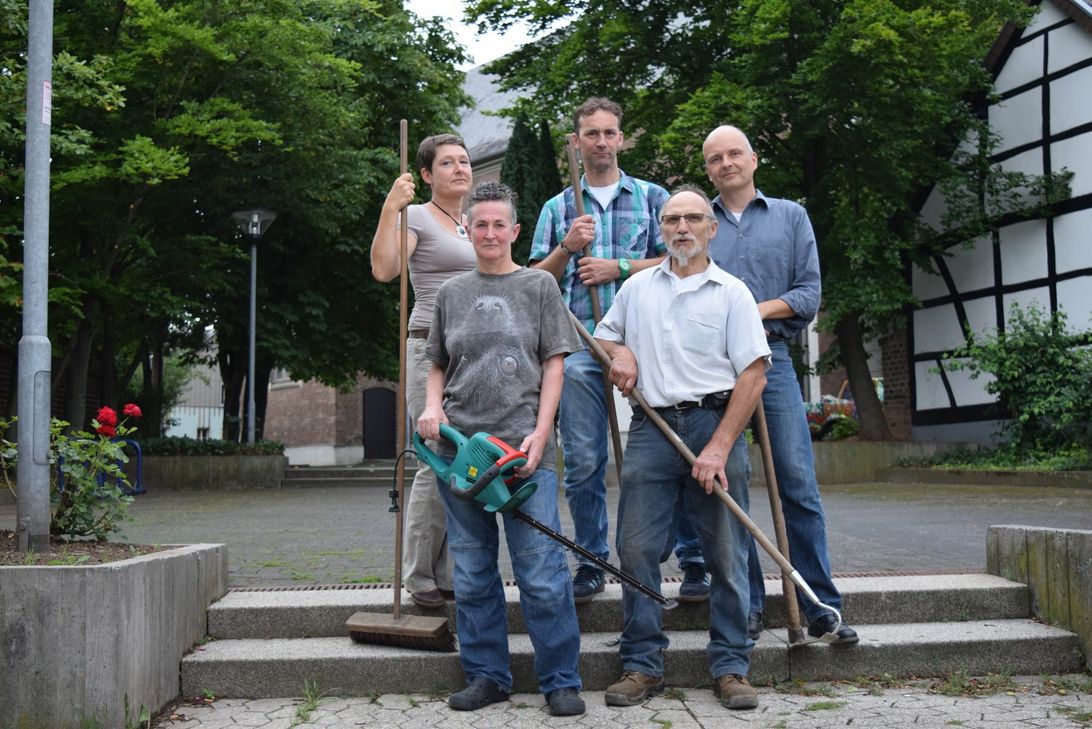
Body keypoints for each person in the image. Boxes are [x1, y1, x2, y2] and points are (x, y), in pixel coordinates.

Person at [595, 186, 770, 711]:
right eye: (672, 219)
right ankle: (642, 664)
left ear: (711, 228)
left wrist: (718, 447)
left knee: (725, 550)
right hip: (651, 427)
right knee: (637, 550)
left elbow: (754, 375)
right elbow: (603, 337)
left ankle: (731, 665)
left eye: (693, 218)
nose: (682, 227)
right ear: (662, 229)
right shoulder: (638, 289)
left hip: (715, 424)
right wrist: (620, 351)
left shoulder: (732, 292)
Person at [530, 97, 710, 604]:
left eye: (610, 133)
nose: (602, 142)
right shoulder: (559, 207)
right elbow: (533, 285)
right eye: (592, 134)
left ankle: (693, 559)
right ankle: (590, 561)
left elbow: (686, 258)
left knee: (677, 450)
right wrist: (567, 247)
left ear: (622, 138)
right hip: (581, 345)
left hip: (650, 343)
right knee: (585, 459)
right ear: (577, 141)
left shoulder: (656, 198)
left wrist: (620, 268)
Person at [417, 181, 586, 716]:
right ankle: (487, 675)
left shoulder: (539, 287)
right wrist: (432, 409)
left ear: (514, 231)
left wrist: (542, 431)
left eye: (499, 224)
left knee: (541, 571)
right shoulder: (451, 293)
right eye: (480, 224)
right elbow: (438, 361)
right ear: (467, 229)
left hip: (524, 455)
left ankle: (561, 679)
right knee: (470, 572)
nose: (489, 233)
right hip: (463, 453)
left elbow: (556, 361)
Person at [702, 124, 858, 645]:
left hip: (772, 361)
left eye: (734, 154)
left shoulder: (791, 216)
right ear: (708, 170)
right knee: (731, 488)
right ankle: (745, 605)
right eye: (715, 158)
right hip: (713, 370)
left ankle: (820, 605)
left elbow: (808, 295)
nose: (726, 164)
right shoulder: (699, 223)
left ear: (754, 159)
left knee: (797, 484)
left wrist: (745, 310)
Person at [370, 134, 477, 610]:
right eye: (448, 163)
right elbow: (385, 270)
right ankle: (418, 574)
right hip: (430, 350)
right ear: (428, 175)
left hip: (478, 354)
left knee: (470, 460)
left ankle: (451, 572)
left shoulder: (473, 224)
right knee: (435, 459)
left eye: (465, 161)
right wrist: (390, 208)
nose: (460, 168)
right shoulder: (416, 217)